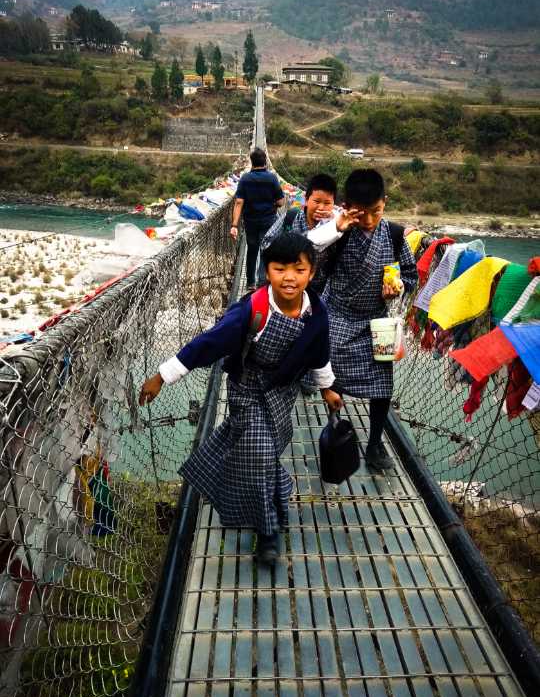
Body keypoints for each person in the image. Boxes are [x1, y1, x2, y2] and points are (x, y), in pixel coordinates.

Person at [139, 233, 343, 565]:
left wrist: (327, 388)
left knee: (266, 452)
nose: (289, 277)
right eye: (279, 269)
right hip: (247, 389)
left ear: (312, 273)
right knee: (262, 453)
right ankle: (268, 533)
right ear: (267, 272)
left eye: (298, 269)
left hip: (282, 391)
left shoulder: (316, 312)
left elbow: (320, 353)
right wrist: (163, 375)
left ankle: (268, 495)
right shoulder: (253, 309)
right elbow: (210, 343)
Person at [308, 169, 418, 471]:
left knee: (383, 386)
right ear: (346, 206)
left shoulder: (395, 235)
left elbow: (410, 275)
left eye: (376, 211)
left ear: (385, 202)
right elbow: (310, 258)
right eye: (362, 213)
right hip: (339, 316)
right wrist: (336, 229)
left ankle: (374, 443)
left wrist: (398, 288)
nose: (369, 220)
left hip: (378, 320)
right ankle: (337, 429)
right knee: (335, 380)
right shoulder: (336, 231)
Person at [257, 173, 338, 286]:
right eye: (317, 201)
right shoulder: (290, 217)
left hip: (317, 289)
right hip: (286, 284)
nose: (321, 207)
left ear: (334, 204)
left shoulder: (336, 228)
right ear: (306, 199)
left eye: (327, 203)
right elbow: (266, 244)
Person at [230, 147, 285, 290]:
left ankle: (250, 283)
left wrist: (234, 225)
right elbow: (280, 202)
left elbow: (239, 202)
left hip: (250, 221)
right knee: (265, 250)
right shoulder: (272, 178)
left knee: (252, 250)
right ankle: (262, 282)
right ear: (265, 161)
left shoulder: (245, 179)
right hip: (268, 220)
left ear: (251, 162)